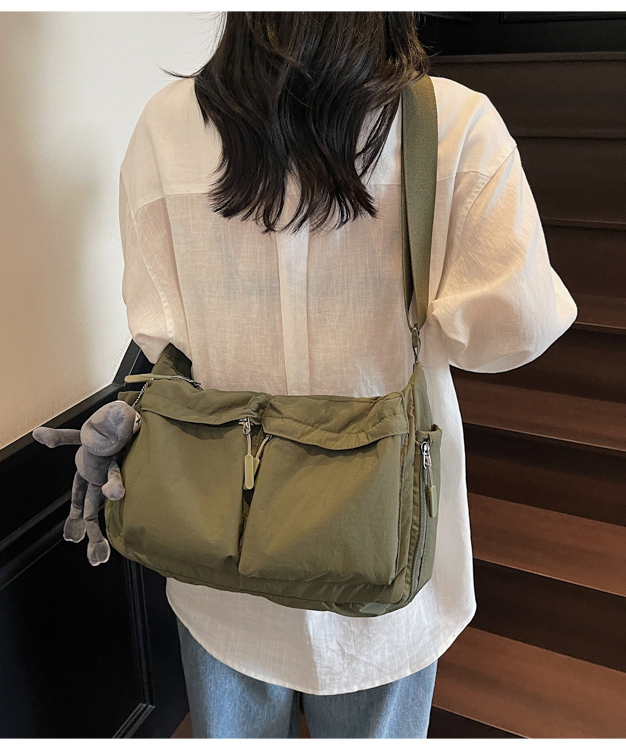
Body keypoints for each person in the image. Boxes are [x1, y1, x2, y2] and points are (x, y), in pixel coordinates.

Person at [117, 12, 577, 739]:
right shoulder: (452, 125)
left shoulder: (163, 126)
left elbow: (156, 329)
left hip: (221, 535)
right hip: (383, 551)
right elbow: (514, 329)